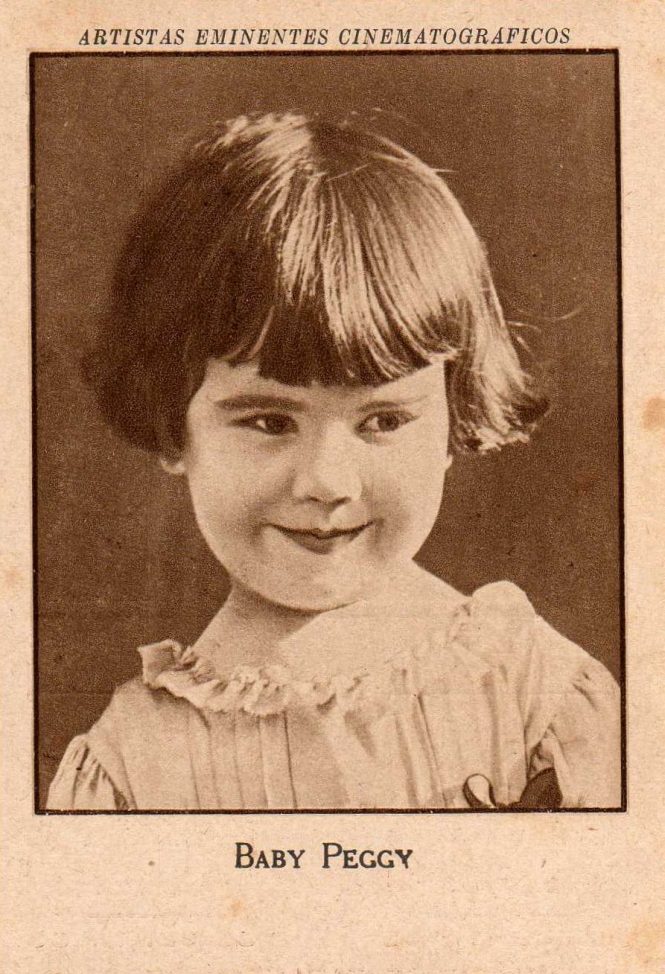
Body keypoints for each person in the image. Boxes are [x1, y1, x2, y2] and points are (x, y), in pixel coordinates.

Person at [46, 111, 621, 811]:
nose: (326, 482)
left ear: (454, 414)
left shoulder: (534, 694)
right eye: (270, 421)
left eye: (383, 420)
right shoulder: (135, 762)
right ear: (173, 426)